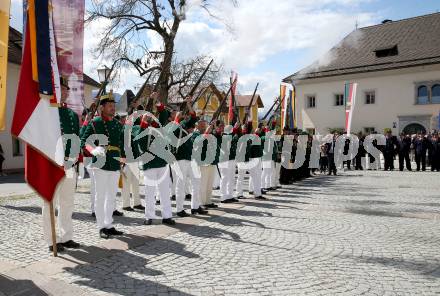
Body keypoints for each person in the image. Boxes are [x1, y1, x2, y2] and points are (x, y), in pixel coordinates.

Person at [42, 77, 81, 251]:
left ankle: (66, 237)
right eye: (62, 89)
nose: (65, 92)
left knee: (68, 202)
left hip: (69, 165)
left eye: (67, 90)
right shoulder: (46, 112)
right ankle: (52, 240)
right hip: (53, 164)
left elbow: (76, 140)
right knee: (50, 202)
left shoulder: (72, 114)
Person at [81, 92, 125, 239]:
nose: (113, 108)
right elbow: (83, 141)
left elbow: (122, 144)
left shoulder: (118, 124)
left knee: (111, 196)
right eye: (110, 106)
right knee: (100, 197)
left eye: (114, 106)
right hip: (100, 163)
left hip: (114, 163)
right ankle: (101, 227)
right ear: (102, 107)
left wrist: (123, 160)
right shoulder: (95, 123)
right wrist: (93, 150)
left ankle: (109, 224)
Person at [133, 92, 175, 225]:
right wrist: (144, 123)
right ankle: (149, 216)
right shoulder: (138, 129)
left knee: (164, 191)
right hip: (149, 164)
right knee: (149, 191)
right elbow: (140, 142)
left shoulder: (159, 127)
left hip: (162, 162)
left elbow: (163, 113)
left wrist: (156, 101)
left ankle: (167, 216)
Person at [171, 97, 207, 216]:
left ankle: (195, 207)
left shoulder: (185, 124)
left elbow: (193, 115)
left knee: (196, 181)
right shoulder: (176, 126)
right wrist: (176, 119)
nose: (185, 117)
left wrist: (188, 104)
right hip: (180, 159)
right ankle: (179, 209)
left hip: (190, 159)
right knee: (180, 184)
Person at [219, 123, 240, 203]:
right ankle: (223, 197)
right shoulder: (223, 136)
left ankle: (230, 195)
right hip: (224, 160)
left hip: (231, 159)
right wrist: (235, 128)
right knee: (224, 178)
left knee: (231, 178)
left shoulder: (230, 136)